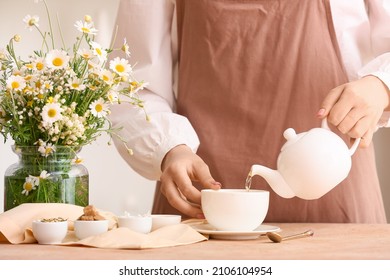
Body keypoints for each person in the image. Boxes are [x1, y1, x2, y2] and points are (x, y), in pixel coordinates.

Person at [109, 0, 390, 223]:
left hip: (337, 197)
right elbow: (132, 84)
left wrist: (382, 86)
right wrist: (170, 150)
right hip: (201, 203)